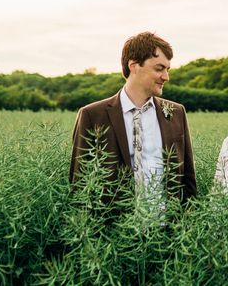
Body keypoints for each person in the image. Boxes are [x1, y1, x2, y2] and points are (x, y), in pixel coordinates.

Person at [70, 31, 196, 203]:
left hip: (169, 227)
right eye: (159, 68)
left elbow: (188, 181)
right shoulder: (92, 115)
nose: (166, 77)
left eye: (167, 69)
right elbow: (80, 184)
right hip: (115, 228)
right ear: (134, 65)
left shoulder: (176, 113)